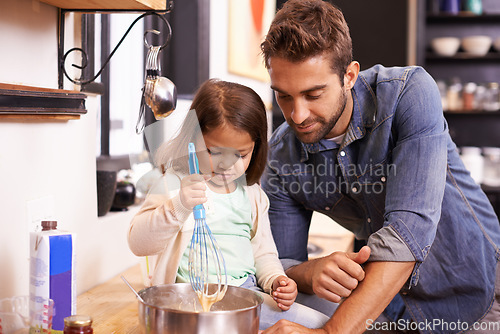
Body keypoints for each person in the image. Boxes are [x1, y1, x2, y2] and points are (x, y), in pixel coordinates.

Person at [259, 0, 500, 333]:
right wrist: (309, 272)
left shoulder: (409, 93)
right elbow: (278, 264)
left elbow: (408, 232)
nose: (297, 115)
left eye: (313, 94)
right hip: (390, 307)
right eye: (284, 96)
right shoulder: (282, 155)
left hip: (480, 298)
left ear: (349, 75)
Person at [127, 79, 330, 330]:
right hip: (187, 300)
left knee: (323, 323)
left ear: (255, 149)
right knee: (317, 326)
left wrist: (275, 280)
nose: (226, 164)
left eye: (240, 154)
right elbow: (138, 242)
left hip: (244, 296)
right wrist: (178, 206)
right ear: (193, 141)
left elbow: (262, 252)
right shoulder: (173, 185)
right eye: (214, 152)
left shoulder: (253, 195)